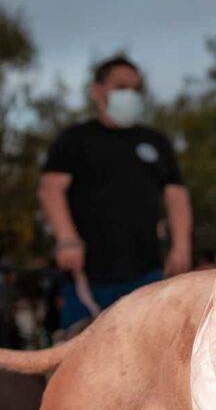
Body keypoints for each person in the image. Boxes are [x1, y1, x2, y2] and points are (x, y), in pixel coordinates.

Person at [38, 55, 193, 330]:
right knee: (81, 357)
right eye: (121, 86)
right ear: (97, 91)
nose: (130, 95)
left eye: (136, 89)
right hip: (88, 276)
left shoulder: (155, 141)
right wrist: (66, 239)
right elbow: (51, 189)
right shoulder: (76, 139)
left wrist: (181, 246)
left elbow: (176, 195)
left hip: (147, 273)